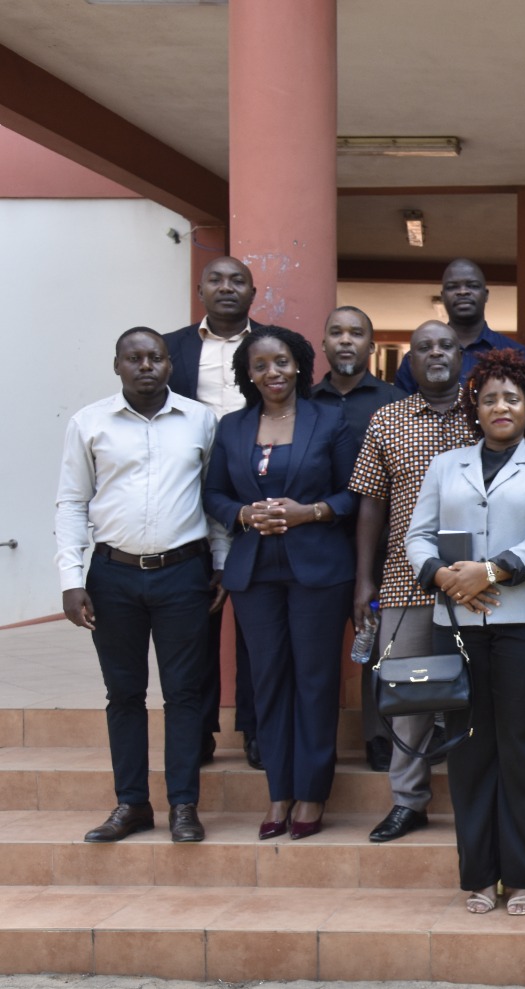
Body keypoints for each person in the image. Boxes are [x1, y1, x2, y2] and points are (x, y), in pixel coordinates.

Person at [407, 351, 525, 916]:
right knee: (468, 751)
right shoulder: (443, 465)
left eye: (512, 398)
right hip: (454, 627)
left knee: (523, 751)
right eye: (488, 398)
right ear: (473, 409)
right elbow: (417, 537)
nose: (500, 407)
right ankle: (479, 875)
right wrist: (447, 580)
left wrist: (491, 570)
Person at [56, 327, 228, 844]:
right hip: (112, 576)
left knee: (184, 694)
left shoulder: (201, 421)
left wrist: (221, 563)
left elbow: (214, 499)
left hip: (184, 574)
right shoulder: (89, 423)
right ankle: (131, 803)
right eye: (135, 358)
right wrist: (70, 578)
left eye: (155, 357)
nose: (146, 365)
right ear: (118, 366)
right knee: (124, 694)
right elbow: (71, 502)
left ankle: (183, 806)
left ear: (169, 366)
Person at [203, 325, 359, 842]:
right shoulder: (231, 428)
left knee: (314, 682)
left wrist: (308, 512)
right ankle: (279, 790)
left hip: (318, 571)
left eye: (283, 362)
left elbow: (351, 496)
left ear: (299, 366)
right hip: (255, 574)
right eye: (261, 365)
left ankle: (312, 794)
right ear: (248, 374)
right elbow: (215, 496)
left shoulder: (330, 420)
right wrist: (245, 514)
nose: (273, 372)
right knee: (268, 681)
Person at [349, 321, 478, 843]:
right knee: (411, 697)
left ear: (461, 353)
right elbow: (370, 506)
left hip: (479, 586)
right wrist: (365, 581)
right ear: (411, 361)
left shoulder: (486, 413)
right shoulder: (388, 420)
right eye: (423, 347)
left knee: (478, 695)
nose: (436, 354)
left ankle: (476, 796)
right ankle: (409, 801)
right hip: (406, 583)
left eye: (445, 345)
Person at [163, 255, 262, 767]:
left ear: (252, 291)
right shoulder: (173, 348)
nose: (227, 287)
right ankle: (198, 729)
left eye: (237, 280)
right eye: (216, 280)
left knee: (256, 624)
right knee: (194, 621)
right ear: (200, 289)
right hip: (189, 502)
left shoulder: (270, 345)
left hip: (254, 499)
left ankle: (254, 728)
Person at [309, 305, 404, 773]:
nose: (346, 341)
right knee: (319, 646)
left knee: (379, 643)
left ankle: (379, 736)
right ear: (323, 343)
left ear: (371, 345)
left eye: (357, 333)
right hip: (319, 543)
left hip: (383, 542)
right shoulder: (305, 403)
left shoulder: (393, 401)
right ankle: (314, 740)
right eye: (336, 333)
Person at [394, 259, 525, 393]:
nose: (463, 292)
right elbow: (401, 410)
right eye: (453, 287)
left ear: (486, 295)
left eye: (472, 285)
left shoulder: (516, 354)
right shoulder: (416, 359)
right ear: (443, 296)